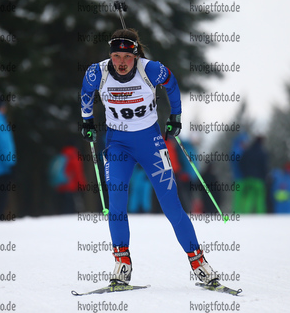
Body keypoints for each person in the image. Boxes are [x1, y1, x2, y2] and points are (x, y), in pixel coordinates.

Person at [79, 28, 219, 286]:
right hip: (118, 145)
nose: (121, 62)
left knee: (171, 204)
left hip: (150, 144)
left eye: (126, 57)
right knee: (117, 204)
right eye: (116, 56)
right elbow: (86, 93)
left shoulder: (150, 69)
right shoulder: (97, 72)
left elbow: (172, 84)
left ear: (135, 56)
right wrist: (87, 120)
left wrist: (175, 116)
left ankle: (199, 263)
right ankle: (122, 263)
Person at [238, 136, 269, 213]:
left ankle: (244, 215)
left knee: (248, 198)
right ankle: (260, 215)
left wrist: (245, 174)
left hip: (248, 179)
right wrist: (265, 177)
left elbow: (241, 164)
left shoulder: (247, 152)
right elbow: (264, 167)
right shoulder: (263, 153)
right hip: (259, 180)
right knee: (259, 199)